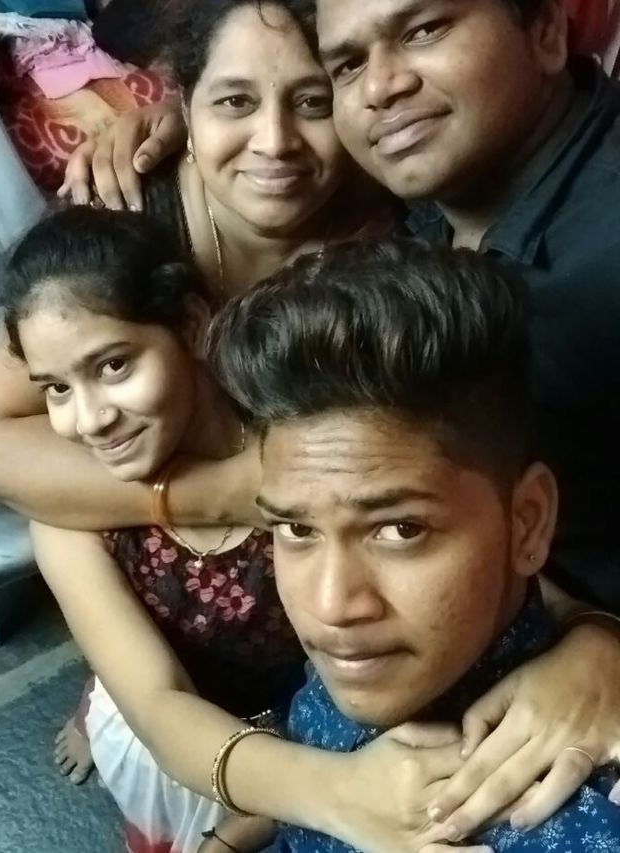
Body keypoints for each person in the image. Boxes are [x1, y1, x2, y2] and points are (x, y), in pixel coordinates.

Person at [65, 0, 620, 834]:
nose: (381, 87)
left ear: (545, 29)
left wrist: (606, 646)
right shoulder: (424, 192)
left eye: (424, 29)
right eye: (348, 65)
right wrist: (187, 117)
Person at [0, 0, 394, 785]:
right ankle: (115, 687)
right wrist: (211, 494)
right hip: (178, 500)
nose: (273, 141)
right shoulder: (129, 200)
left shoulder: (386, 233)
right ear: (183, 103)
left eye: (312, 101)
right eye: (233, 101)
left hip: (304, 531)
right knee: (137, 655)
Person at [4, 206, 490, 853]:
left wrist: (593, 636)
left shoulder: (299, 446)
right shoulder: (70, 514)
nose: (90, 419)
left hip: (338, 717)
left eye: (114, 365)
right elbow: (159, 706)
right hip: (190, 743)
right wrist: (325, 796)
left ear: (191, 326)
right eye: (56, 390)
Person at [207, 238, 620, 852]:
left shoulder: (586, 826)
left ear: (528, 523)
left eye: (401, 530)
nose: (331, 606)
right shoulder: (377, 658)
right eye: (297, 529)